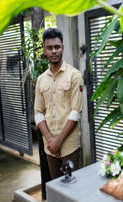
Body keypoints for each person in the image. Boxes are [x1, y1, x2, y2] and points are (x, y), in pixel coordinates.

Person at [34, 28, 83, 179]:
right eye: (49, 48)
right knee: (56, 189)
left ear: (63, 48)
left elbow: (76, 113)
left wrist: (58, 141)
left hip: (69, 147)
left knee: (73, 190)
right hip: (50, 148)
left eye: (57, 47)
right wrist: (50, 141)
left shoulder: (74, 76)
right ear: (44, 50)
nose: (54, 51)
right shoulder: (41, 79)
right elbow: (38, 113)